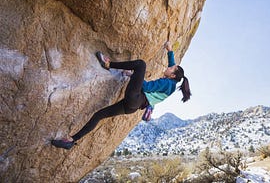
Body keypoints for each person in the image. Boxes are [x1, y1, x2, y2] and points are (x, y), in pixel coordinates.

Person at [51, 41, 191, 150]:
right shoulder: (172, 83)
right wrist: (170, 50)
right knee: (99, 115)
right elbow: (173, 65)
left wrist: (133, 74)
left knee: (141, 64)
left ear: (173, 75)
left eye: (171, 68)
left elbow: (147, 87)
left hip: (136, 98)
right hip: (132, 107)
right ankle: (71, 140)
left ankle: (108, 64)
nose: (169, 66)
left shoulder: (167, 84)